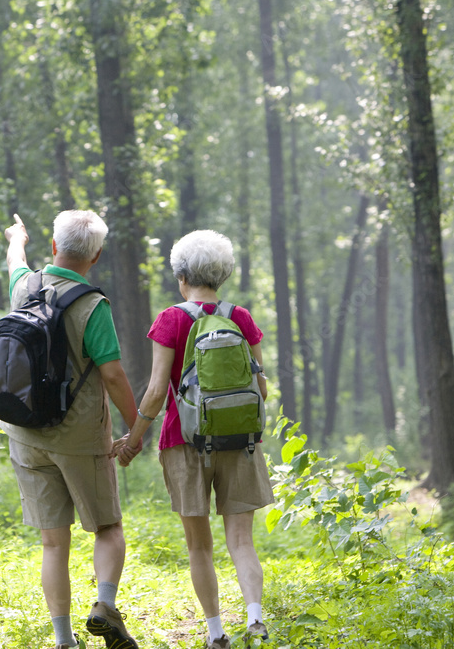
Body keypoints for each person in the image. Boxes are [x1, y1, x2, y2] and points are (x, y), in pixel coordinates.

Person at [113, 230, 273, 649]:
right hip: (240, 440)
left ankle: (217, 632)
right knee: (241, 540)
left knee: (198, 546)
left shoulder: (171, 318)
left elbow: (153, 391)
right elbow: (263, 390)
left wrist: (133, 439)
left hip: (182, 440)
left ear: (181, 275)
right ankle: (254, 618)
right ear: (222, 274)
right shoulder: (240, 316)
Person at [0, 211, 140, 649]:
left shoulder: (25, 286)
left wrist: (17, 238)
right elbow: (113, 376)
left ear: (55, 247)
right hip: (79, 437)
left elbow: (14, 261)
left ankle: (64, 642)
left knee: (53, 543)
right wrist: (137, 429)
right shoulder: (92, 305)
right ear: (95, 256)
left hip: (24, 432)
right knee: (107, 528)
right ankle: (103, 605)